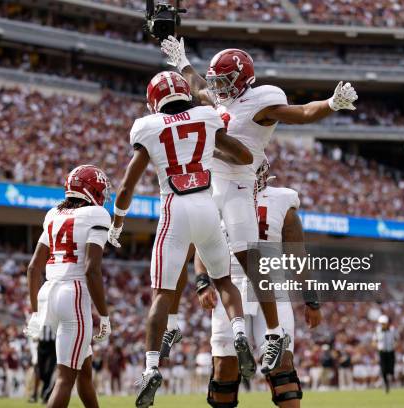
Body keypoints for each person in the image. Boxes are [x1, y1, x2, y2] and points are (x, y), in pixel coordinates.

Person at [161, 35, 357, 373]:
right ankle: (172, 323)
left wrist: (330, 104)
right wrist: (182, 62)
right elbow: (198, 88)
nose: (219, 88)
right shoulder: (220, 100)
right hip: (211, 184)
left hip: (239, 183)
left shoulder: (261, 103)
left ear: (242, 80)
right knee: (181, 239)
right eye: (217, 81)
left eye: (225, 81)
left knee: (249, 259)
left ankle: (274, 333)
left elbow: (302, 112)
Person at [107, 71, 256, 408]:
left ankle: (151, 368)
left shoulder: (148, 127)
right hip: (207, 208)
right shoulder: (206, 117)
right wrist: (203, 155)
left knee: (163, 294)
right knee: (225, 281)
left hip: (175, 211)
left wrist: (117, 221)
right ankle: (239, 333)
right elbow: (243, 155)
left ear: (154, 100)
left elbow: (128, 185)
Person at [195, 162, 322, 407]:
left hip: (271, 288)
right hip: (229, 287)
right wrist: (202, 281)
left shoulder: (282, 202)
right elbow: (203, 244)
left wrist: (311, 299)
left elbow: (297, 256)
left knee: (282, 368)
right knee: (223, 373)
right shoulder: (216, 196)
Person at [26, 165, 113, 408]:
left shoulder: (53, 214)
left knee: (83, 372)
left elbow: (34, 268)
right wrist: (104, 315)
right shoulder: (97, 215)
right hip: (73, 294)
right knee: (65, 379)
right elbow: (91, 270)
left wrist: (35, 312)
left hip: (48, 294)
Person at [373, 314, 397, 393]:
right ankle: (386, 385)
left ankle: (390, 380)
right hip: (382, 352)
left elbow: (397, 339)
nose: (382, 325)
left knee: (391, 368)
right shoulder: (377, 330)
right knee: (383, 369)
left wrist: (395, 345)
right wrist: (378, 346)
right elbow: (374, 341)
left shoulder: (393, 330)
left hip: (390, 351)